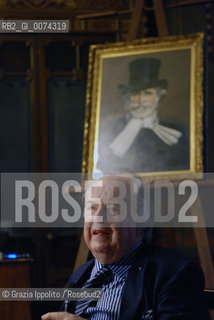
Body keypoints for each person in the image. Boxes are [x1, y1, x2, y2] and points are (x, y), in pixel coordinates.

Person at [42, 174, 206, 320]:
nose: (99, 215)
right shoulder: (79, 277)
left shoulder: (174, 273)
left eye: (113, 208)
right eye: (92, 207)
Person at [97, 58, 189, 173]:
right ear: (127, 98)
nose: (141, 101)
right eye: (135, 94)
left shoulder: (178, 132)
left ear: (159, 97)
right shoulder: (111, 132)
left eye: (147, 93)